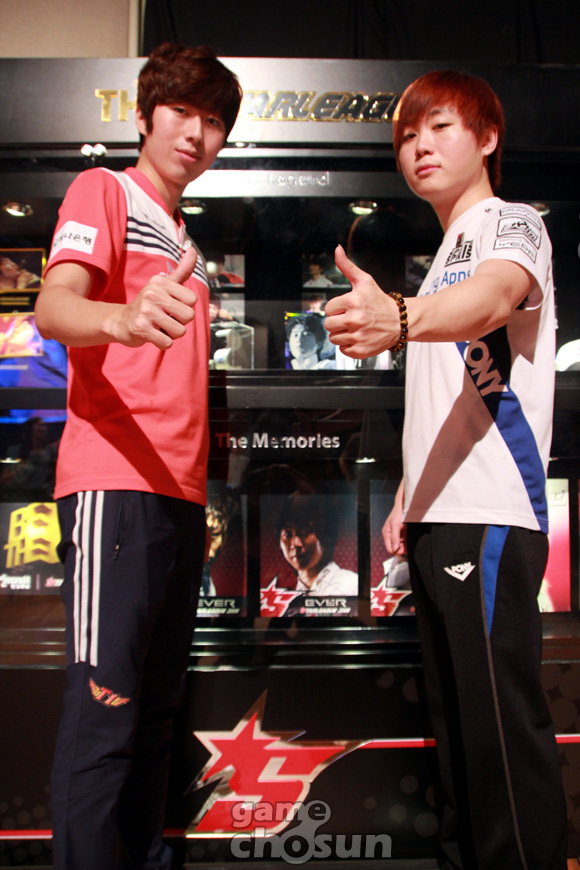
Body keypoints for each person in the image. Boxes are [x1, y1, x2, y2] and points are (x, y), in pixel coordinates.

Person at [324, 70, 566, 870]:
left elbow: (494, 298)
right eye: (406, 134)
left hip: (489, 515)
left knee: (500, 737)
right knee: (460, 738)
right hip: (439, 518)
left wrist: (398, 316)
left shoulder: (511, 224)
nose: (419, 146)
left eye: (440, 128)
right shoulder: (441, 259)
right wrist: (409, 492)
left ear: (488, 138)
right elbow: (449, 399)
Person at [34, 43, 242, 870]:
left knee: (155, 717)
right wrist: (118, 319)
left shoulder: (183, 234)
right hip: (114, 483)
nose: (196, 133)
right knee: (105, 713)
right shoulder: (105, 190)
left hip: (179, 498)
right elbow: (53, 307)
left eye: (213, 120)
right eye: (182, 111)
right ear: (145, 115)